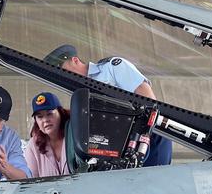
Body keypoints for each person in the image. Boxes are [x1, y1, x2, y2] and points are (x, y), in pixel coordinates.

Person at [43, 44, 173, 167]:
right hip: (122, 151)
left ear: (75, 60)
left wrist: (144, 133)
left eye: (62, 70)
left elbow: (147, 97)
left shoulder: (111, 67)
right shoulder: (80, 97)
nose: (62, 77)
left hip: (148, 136)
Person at [24, 91, 71, 178]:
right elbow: (30, 183)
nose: (45, 120)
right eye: (40, 117)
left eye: (49, 114)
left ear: (60, 113)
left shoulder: (75, 136)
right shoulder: (33, 146)